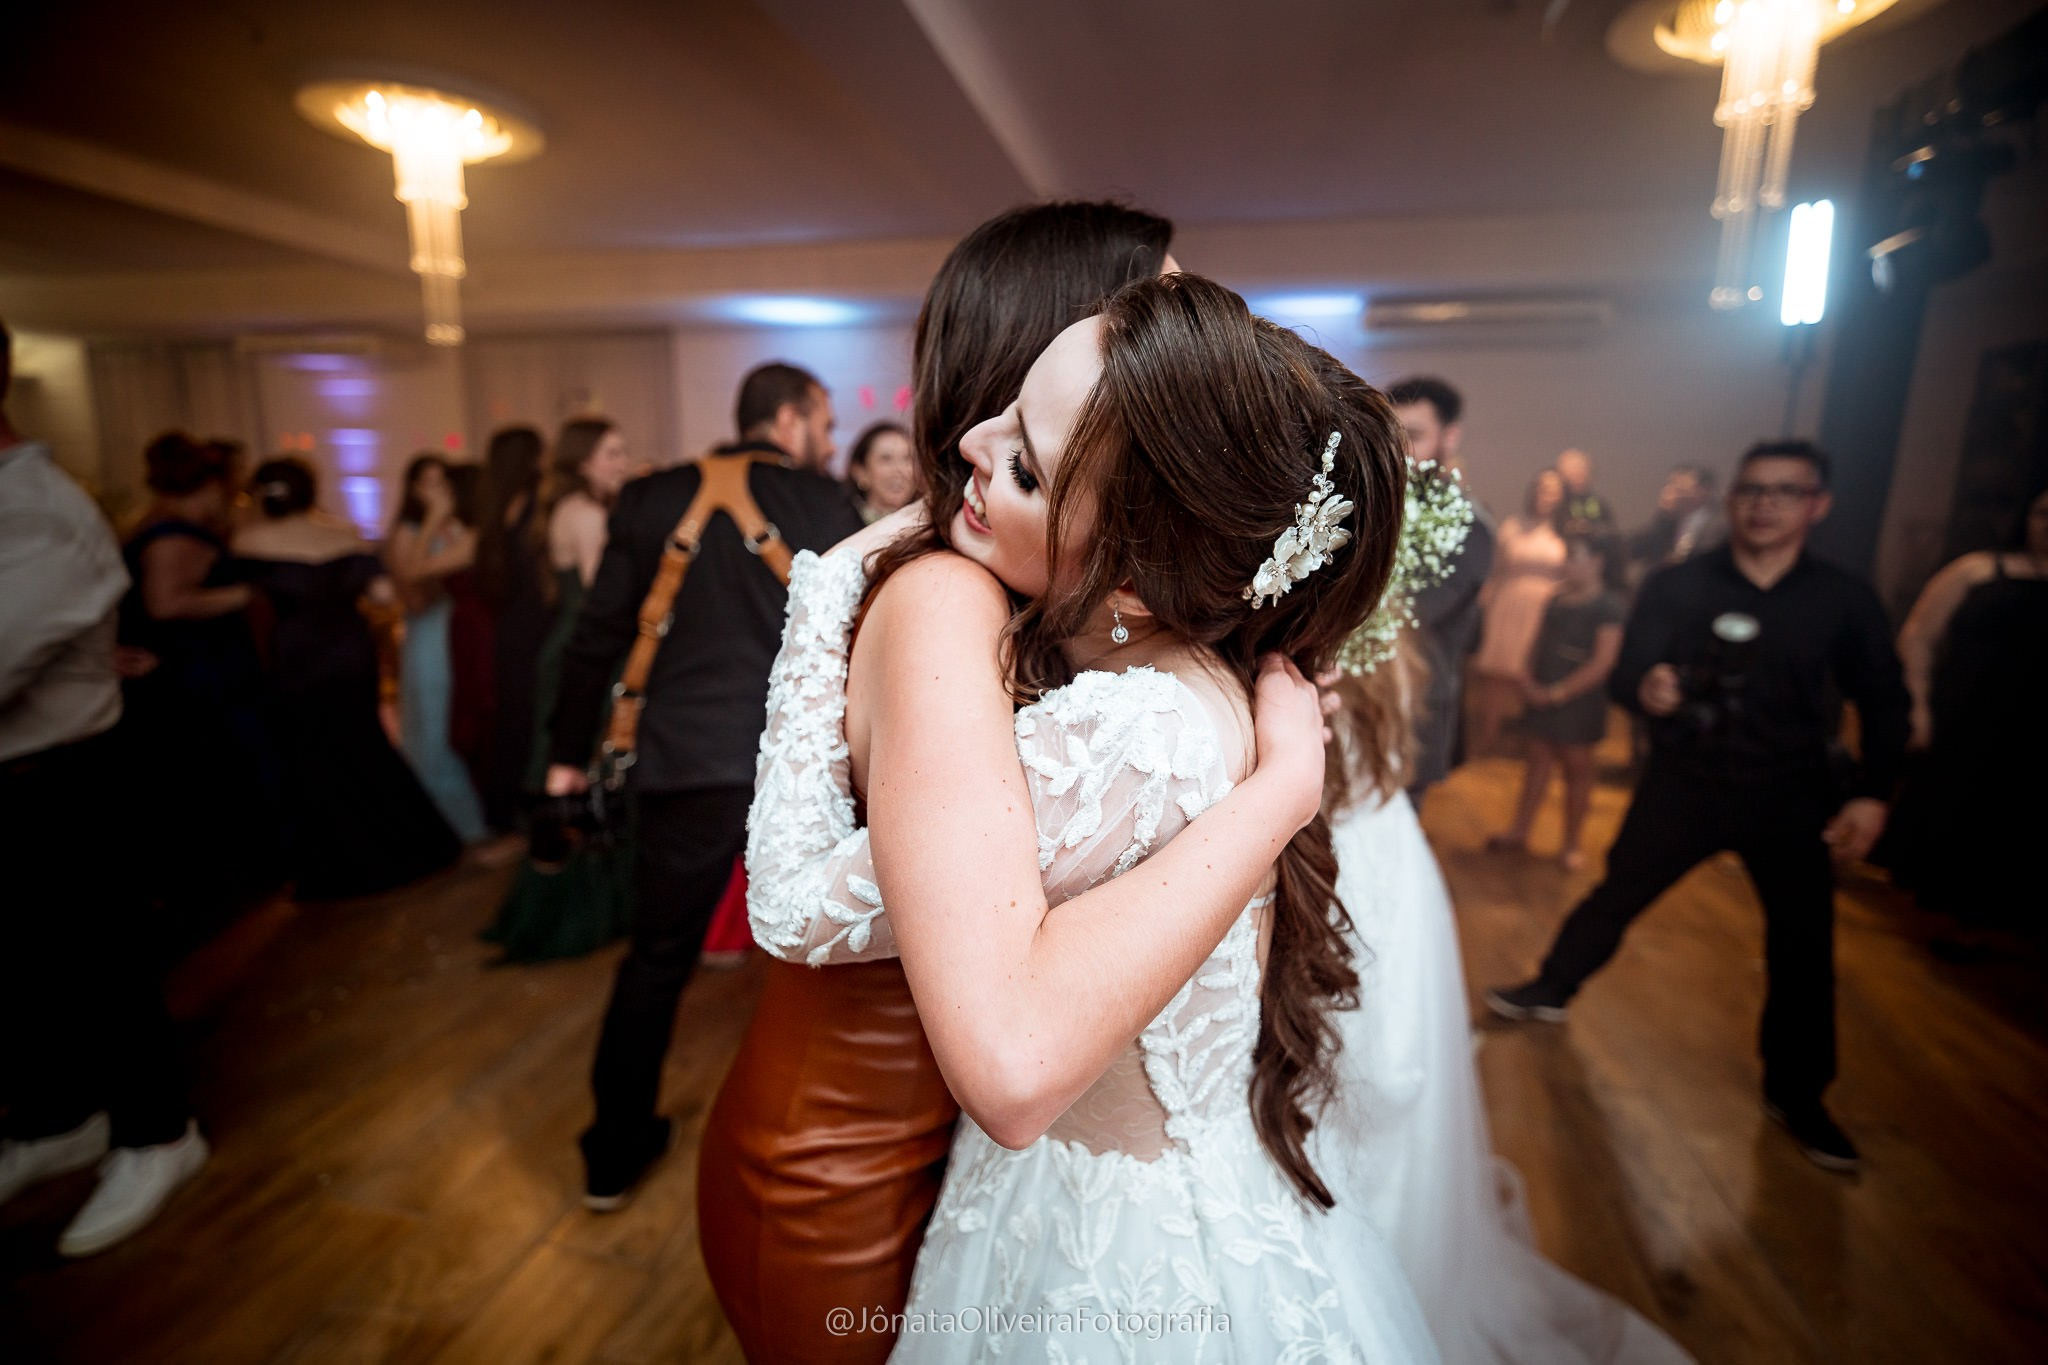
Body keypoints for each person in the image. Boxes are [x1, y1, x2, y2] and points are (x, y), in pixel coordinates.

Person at [740, 274, 1437, 1361]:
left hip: (1115, 1260)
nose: (969, 443)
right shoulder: (1198, 676)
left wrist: (830, 587)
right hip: (1163, 1190)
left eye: (1023, 466)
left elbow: (798, 910)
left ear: (1137, 591)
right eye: (1007, 408)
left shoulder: (1135, 735)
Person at [697, 201, 1189, 1363]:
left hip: (957, 1148)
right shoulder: (943, 596)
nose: (1180, 350)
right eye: (1152, 311)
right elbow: (855, 898)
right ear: (1047, 354)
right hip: (845, 1160)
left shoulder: (1025, 578)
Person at [1486, 440, 1910, 1173]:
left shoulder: (1842, 599)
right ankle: (1551, 986)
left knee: (1803, 944)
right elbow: (1626, 677)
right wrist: (1645, 689)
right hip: (1687, 778)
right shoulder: (1680, 586)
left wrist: (1874, 794)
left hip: (1792, 791)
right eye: (1752, 489)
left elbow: (1884, 698)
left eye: (1784, 491)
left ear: (1817, 505)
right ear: (1733, 499)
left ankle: (1798, 1092)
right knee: (1619, 891)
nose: (1764, 504)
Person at [544, 366, 864, 1205]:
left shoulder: (652, 498)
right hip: (794, 767)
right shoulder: (823, 506)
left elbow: (594, 640)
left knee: (656, 958)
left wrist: (564, 757)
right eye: (822, 423)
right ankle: (825, 1158)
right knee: (823, 967)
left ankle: (612, 1152)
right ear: (788, 419)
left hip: (682, 763)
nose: (828, 442)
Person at [0, 318, 208, 1258]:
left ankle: (158, 1134)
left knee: (102, 960)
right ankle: (56, 1120)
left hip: (64, 777)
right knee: (28, 966)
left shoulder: (38, 513)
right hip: (29, 771)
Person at [231, 457, 460, 899]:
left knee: (312, 756)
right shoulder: (343, 533)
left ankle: (340, 861)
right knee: (364, 743)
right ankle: (407, 845)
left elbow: (238, 593)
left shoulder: (250, 538)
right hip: (350, 651)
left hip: (298, 655)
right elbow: (382, 593)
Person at [118, 431, 284, 940]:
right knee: (217, 765)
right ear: (210, 483)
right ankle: (231, 883)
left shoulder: (172, 523)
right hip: (198, 671)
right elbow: (164, 603)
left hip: (200, 666)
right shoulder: (172, 534)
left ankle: (233, 877)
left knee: (215, 768)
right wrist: (244, 594)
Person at [483, 417, 635, 962]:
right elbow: (604, 598)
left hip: (570, 648)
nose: (621, 461)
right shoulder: (588, 515)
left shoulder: (570, 509)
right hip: (588, 655)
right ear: (582, 461)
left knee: (576, 777)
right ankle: (575, 915)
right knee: (584, 778)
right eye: (611, 453)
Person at [1883, 484, 2048, 925]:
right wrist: (1915, 705)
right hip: (1963, 716)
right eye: (2041, 513)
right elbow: (1918, 636)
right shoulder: (1977, 569)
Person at [1486, 534, 1629, 871]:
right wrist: (1527, 677)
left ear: (1598, 561)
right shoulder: (1557, 599)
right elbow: (1539, 641)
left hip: (1577, 700)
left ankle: (1571, 843)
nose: (1568, 564)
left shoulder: (1609, 606)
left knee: (1577, 770)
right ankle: (1520, 830)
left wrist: (1556, 694)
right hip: (1543, 688)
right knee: (1537, 763)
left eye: (1576, 556)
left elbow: (1602, 662)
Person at [1387, 377, 1496, 806]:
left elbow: (1408, 615)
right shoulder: (1378, 504)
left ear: (1450, 436)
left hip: (1412, 713)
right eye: (1390, 436)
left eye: (1413, 437)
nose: (1399, 451)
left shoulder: (1467, 525)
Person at [386, 454, 488, 844]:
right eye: (427, 484)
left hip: (461, 631)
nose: (437, 492)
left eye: (442, 484)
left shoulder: (463, 529)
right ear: (413, 490)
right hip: (430, 633)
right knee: (433, 722)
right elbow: (412, 594)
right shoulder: (408, 531)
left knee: (459, 719)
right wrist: (433, 521)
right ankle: (443, 823)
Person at [468, 425, 550, 836]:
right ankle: (523, 816)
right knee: (531, 721)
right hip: (536, 626)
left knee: (513, 720)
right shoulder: (539, 505)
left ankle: (502, 816)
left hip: (508, 628)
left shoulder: (494, 505)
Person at [1470, 468, 1568, 758]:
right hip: (1508, 606)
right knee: (1498, 675)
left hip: (1545, 610)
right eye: (1540, 489)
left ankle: (1528, 744)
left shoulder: (1565, 533)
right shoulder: (1513, 527)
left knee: (1531, 672)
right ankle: (1488, 738)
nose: (1544, 496)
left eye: (1552, 491)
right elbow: (1495, 570)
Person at [1628, 464, 1719, 572]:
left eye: (1678, 487)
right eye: (1669, 484)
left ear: (1702, 491)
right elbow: (1633, 547)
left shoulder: (1720, 524)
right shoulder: (1666, 521)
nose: (1668, 491)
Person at [844, 419, 918, 521]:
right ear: (860, 472)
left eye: (907, 458)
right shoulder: (841, 524)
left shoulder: (928, 526)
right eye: (886, 459)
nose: (900, 470)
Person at [1555, 448, 1615, 534]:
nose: (1578, 478)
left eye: (1581, 472)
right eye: (1573, 472)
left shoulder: (1599, 504)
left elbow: (1610, 532)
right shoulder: (1556, 505)